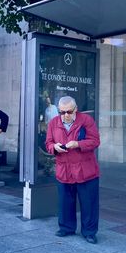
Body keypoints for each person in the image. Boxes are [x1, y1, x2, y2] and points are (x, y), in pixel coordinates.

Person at [45, 96, 100, 244]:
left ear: (76, 109)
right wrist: (54, 148)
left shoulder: (86, 120)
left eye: (69, 111)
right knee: (65, 201)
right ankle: (66, 227)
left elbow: (95, 141)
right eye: (62, 112)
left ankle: (89, 232)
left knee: (89, 203)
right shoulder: (53, 123)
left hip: (86, 170)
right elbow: (48, 143)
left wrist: (78, 144)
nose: (65, 115)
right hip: (64, 169)